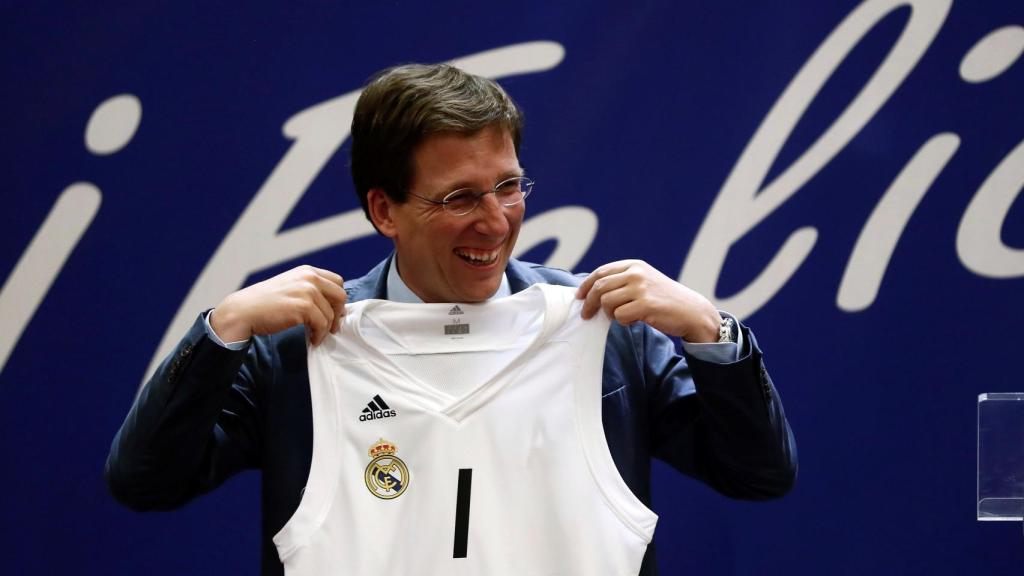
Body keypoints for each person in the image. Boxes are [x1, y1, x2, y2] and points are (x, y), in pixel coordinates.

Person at [106, 63, 797, 576]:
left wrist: (714, 335)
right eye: (460, 197)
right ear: (384, 211)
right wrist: (220, 330)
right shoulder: (297, 350)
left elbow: (759, 474)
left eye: (508, 186)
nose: (496, 222)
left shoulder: (607, 335)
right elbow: (145, 481)